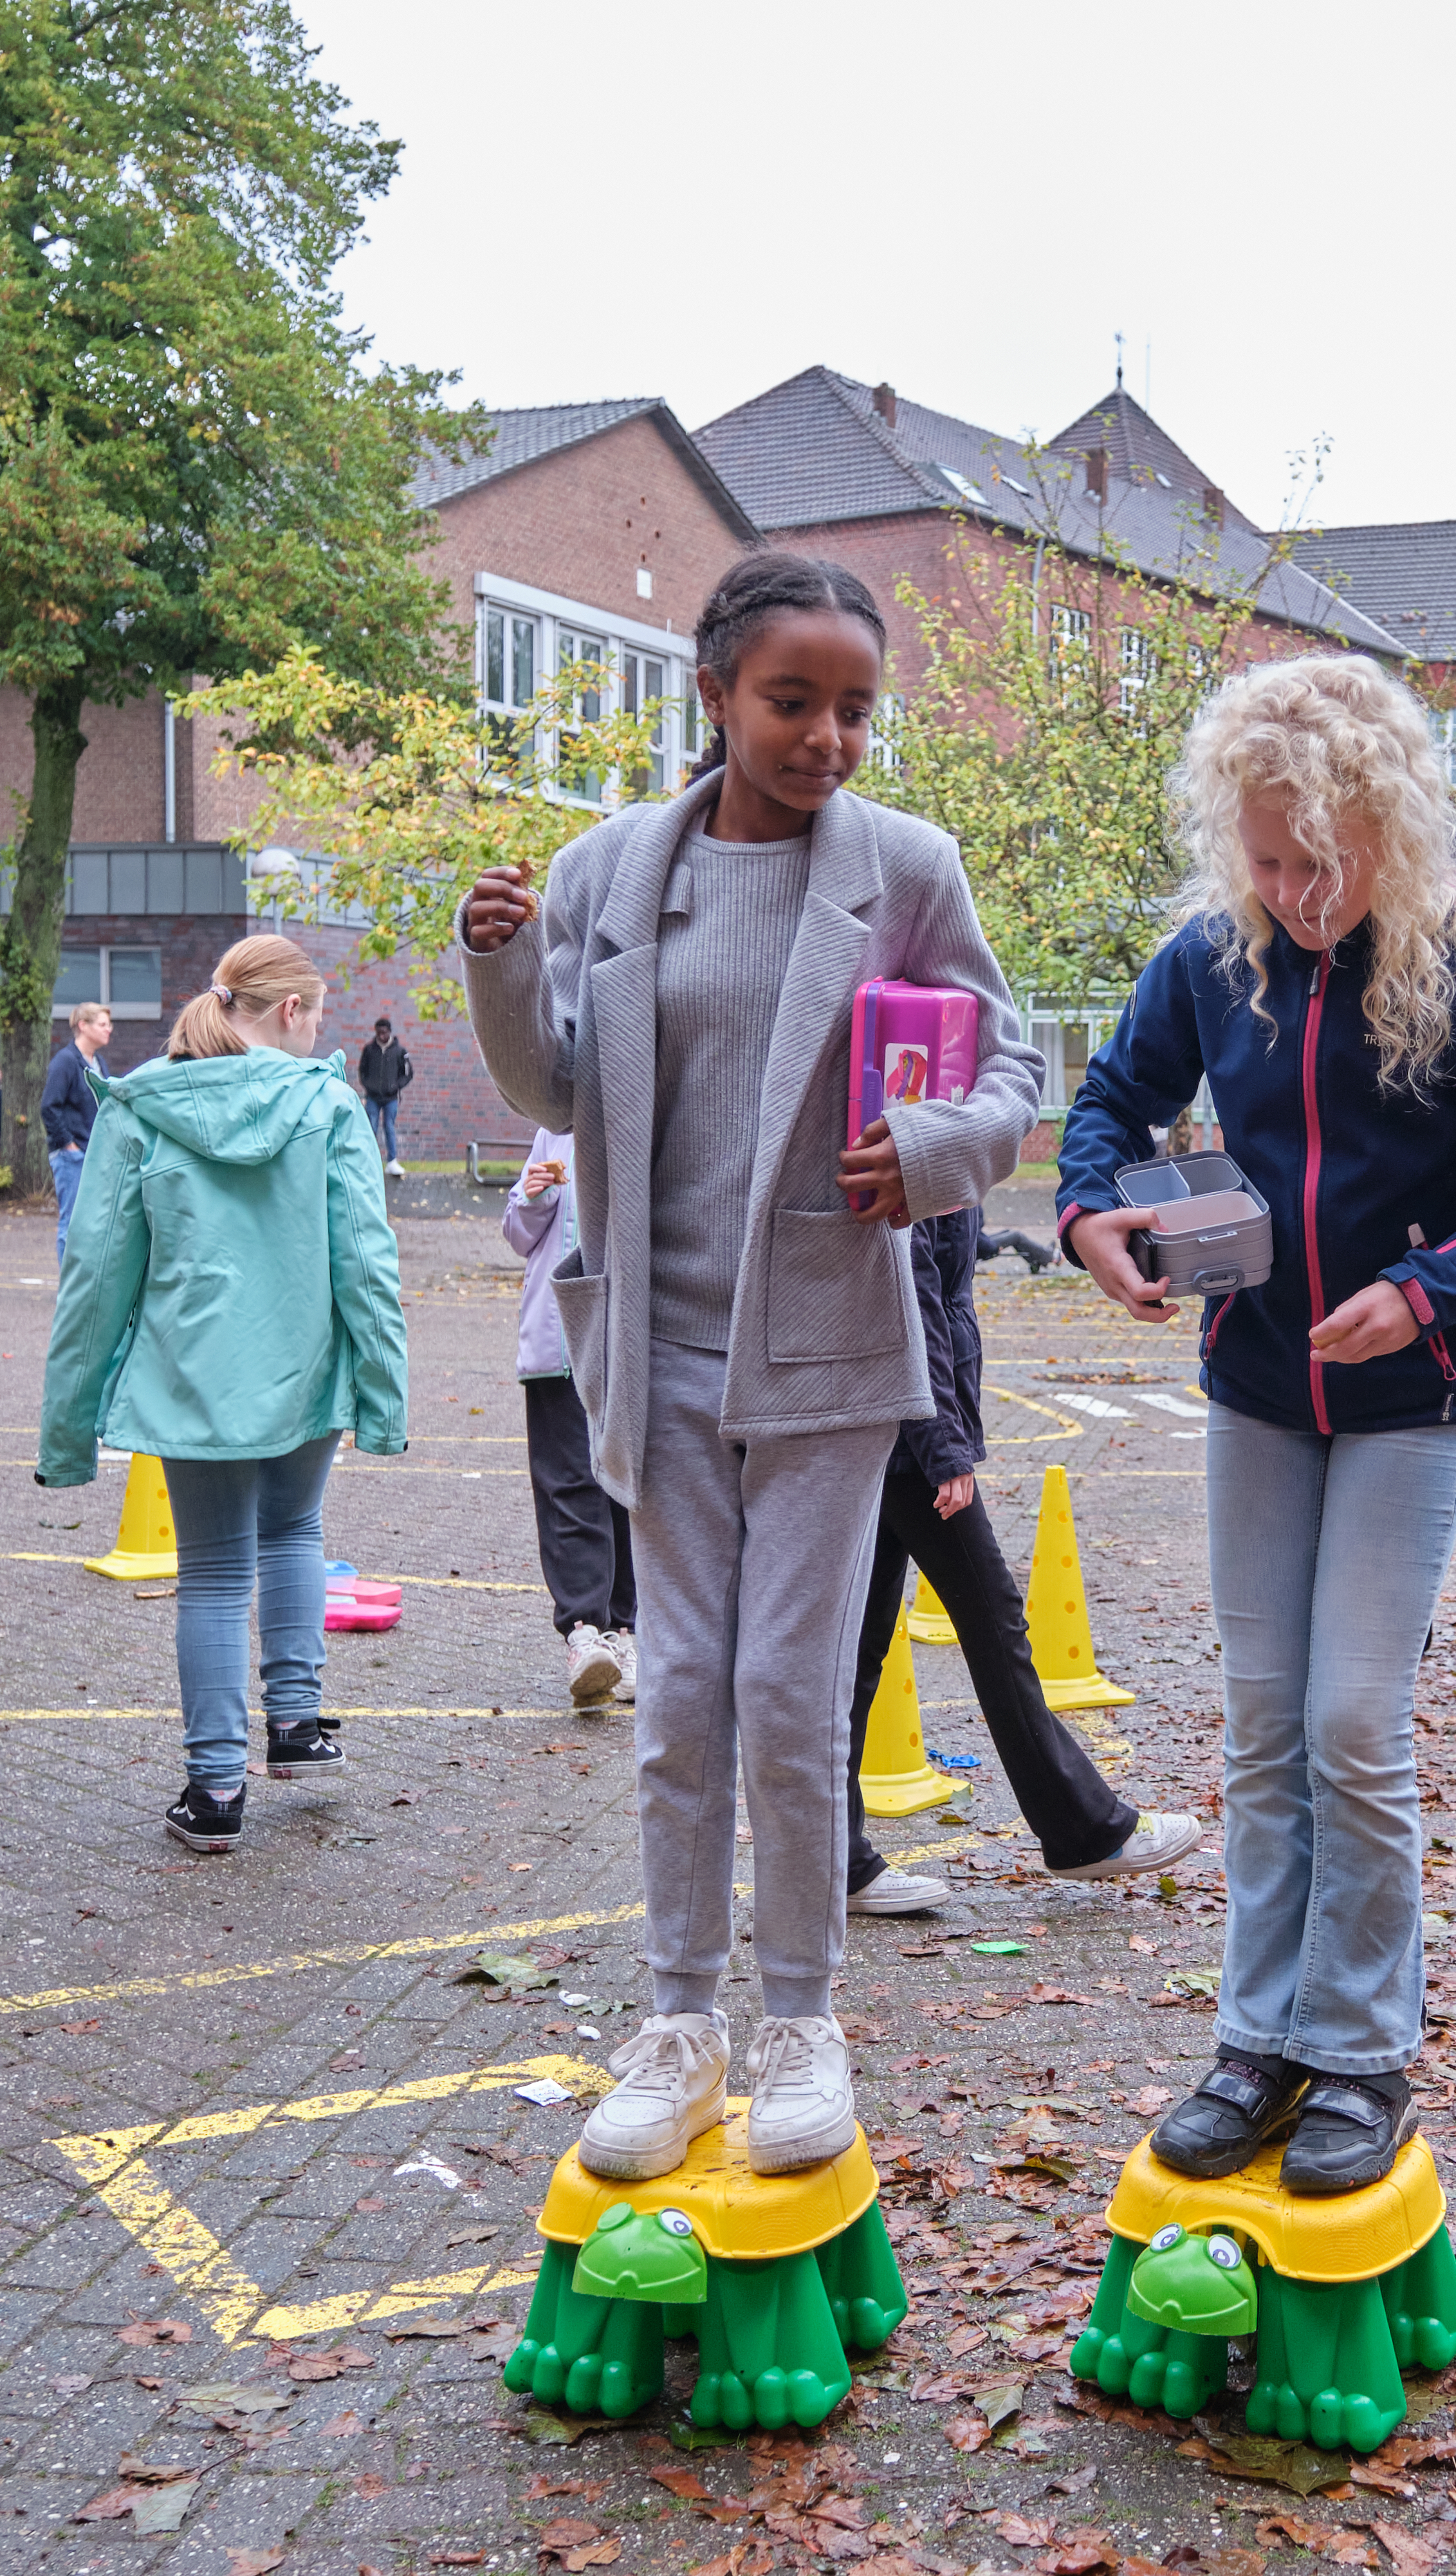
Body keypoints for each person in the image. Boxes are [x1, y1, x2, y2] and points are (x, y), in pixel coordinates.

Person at [459, 549, 1046, 2186]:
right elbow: (559, 1086)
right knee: (680, 1701)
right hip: (653, 1343)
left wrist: (931, 1147)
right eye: (794, 702)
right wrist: (496, 958)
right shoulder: (605, 874)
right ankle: (675, 2021)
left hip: (831, 1356)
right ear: (712, 694)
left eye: (857, 707)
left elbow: (1013, 1061)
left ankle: (801, 2020)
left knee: (790, 1699)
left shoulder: (905, 869)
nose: (830, 738)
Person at [1055, 650, 1456, 2199]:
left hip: (1408, 1399)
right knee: (1261, 1720)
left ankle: (1358, 2048)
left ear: (1390, 834)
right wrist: (1093, 1214)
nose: (1297, 894)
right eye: (1271, 862)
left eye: (1326, 863)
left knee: (1355, 1722)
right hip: (1254, 1387)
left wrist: (1428, 1291)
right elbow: (1107, 1104)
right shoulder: (1209, 959)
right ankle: (1256, 2037)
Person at [42, 934, 411, 1854]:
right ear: (290, 1012)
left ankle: (214, 1792)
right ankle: (295, 1723)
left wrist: (68, 1428)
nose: (319, 1029)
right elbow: (367, 1262)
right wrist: (384, 1393)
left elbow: (95, 1273)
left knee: (211, 1573)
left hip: (192, 1375)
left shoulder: (139, 1108)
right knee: (294, 1528)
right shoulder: (329, 1104)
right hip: (307, 1369)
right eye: (317, 1014)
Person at [840, 1202, 1204, 1911]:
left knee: (855, 1650)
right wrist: (943, 1444)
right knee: (992, 1623)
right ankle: (1087, 1830)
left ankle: (834, 1859)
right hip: (907, 1430)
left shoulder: (931, 1131)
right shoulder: (912, 1126)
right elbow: (906, 1305)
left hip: (886, 1427)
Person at [502, 1125, 636, 1709]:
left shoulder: (646, 1116)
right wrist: (531, 1198)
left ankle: (625, 1635)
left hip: (629, 1345)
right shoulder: (551, 1133)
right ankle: (584, 1633)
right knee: (566, 1483)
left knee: (627, 1489)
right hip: (557, 1344)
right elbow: (518, 1236)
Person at [44, 1000, 113, 1268]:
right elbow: (49, 1107)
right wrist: (70, 1146)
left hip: (94, 1154)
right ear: (83, 1026)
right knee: (72, 1221)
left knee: (93, 1221)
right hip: (72, 1156)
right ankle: (69, 1286)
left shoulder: (98, 1063)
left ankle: (85, 1280)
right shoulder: (65, 1062)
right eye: (103, 1024)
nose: (109, 1029)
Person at [356, 1015, 412, 1173]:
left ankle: (392, 1162)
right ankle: (368, 1161)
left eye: (384, 1033)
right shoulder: (369, 1050)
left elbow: (408, 1074)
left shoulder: (400, 1051)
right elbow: (363, 1071)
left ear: (390, 1032)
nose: (382, 1036)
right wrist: (368, 1086)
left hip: (391, 1098)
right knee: (371, 1127)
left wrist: (396, 1086)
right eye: (379, 1033)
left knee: (389, 1127)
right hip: (373, 1097)